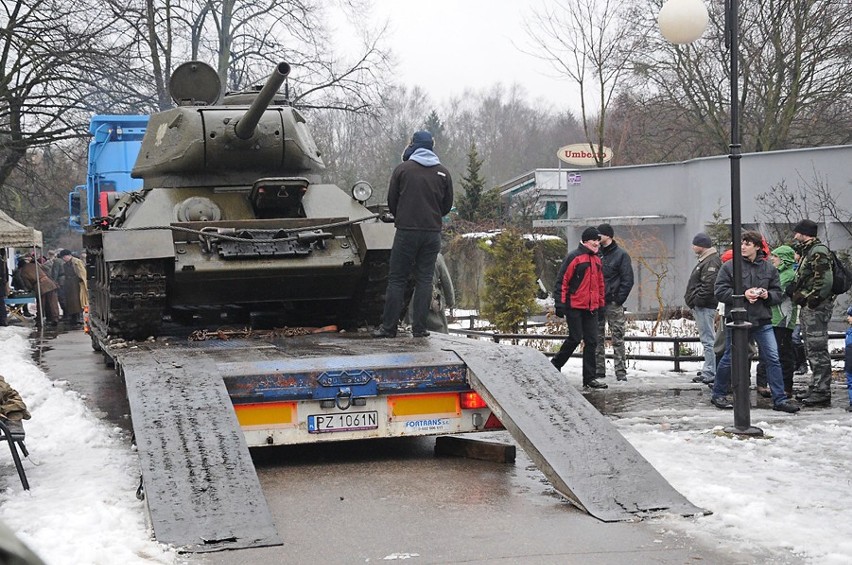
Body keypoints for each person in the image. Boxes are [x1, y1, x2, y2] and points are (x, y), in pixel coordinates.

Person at [372, 130, 453, 339]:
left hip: (406, 231)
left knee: (397, 279)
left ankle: (388, 328)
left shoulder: (402, 170)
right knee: (425, 280)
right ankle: (419, 328)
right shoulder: (443, 173)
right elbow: (446, 206)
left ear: (413, 145)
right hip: (432, 233)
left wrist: (405, 216)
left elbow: (392, 201)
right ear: (431, 146)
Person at [711, 230, 799, 413]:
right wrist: (742, 295)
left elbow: (777, 293)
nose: (743, 246)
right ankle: (718, 393)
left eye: (747, 244)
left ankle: (779, 399)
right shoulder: (730, 266)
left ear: (757, 247)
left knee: (773, 358)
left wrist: (767, 295)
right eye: (741, 243)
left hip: (762, 320)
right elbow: (719, 291)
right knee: (730, 357)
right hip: (737, 320)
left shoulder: (769, 268)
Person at [551, 227, 607, 389]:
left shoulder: (597, 260)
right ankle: (555, 364)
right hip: (574, 306)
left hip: (591, 307)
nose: (597, 243)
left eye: (598, 240)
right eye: (594, 240)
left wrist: (601, 305)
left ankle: (589, 378)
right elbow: (562, 281)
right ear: (586, 241)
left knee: (592, 341)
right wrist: (560, 304)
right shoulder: (574, 257)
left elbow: (600, 285)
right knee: (575, 338)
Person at [789, 219, 835, 407]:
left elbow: (824, 281)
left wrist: (810, 300)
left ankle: (822, 389)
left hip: (816, 309)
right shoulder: (809, 251)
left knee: (817, 347)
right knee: (810, 346)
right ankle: (816, 385)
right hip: (811, 308)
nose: (795, 236)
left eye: (797, 232)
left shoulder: (818, 252)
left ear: (804, 233)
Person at [756, 245, 798, 399]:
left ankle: (785, 387)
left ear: (784, 259)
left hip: (782, 320)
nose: (772, 258)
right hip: (770, 318)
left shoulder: (788, 275)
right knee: (766, 352)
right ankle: (763, 383)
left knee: (782, 353)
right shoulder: (773, 273)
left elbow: (775, 293)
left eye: (776, 256)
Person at [593, 223, 633, 381]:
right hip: (597, 302)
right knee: (597, 337)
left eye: (599, 235)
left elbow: (627, 279)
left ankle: (620, 372)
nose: (596, 239)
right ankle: (598, 370)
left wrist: (618, 299)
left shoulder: (621, 255)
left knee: (617, 337)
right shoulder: (596, 254)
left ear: (607, 236)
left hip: (612, 302)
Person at [684, 232, 721, 385]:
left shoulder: (710, 262)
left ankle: (710, 371)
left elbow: (708, 285)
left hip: (705, 306)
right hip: (703, 305)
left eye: (694, 244)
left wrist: (697, 301)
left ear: (701, 245)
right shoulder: (707, 260)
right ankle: (710, 368)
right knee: (708, 338)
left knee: (708, 339)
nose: (692, 247)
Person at [17, 256, 60, 326]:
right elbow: (46, 270)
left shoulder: (23, 272)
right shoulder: (35, 265)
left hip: (39, 286)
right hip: (49, 283)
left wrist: (30, 289)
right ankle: (55, 318)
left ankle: (39, 320)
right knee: (53, 302)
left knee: (41, 304)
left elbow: (28, 284)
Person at [58, 249, 87, 326]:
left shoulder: (76, 262)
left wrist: (83, 282)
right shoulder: (65, 264)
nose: (63, 259)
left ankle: (79, 317)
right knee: (70, 301)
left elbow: (82, 273)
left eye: (64, 257)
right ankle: (73, 317)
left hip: (76, 283)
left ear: (68, 255)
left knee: (77, 301)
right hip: (69, 284)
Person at [0, 248, 8, 327]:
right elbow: (6, 277)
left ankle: (3, 320)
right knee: (1, 304)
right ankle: (3, 320)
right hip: (1, 286)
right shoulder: (3, 263)